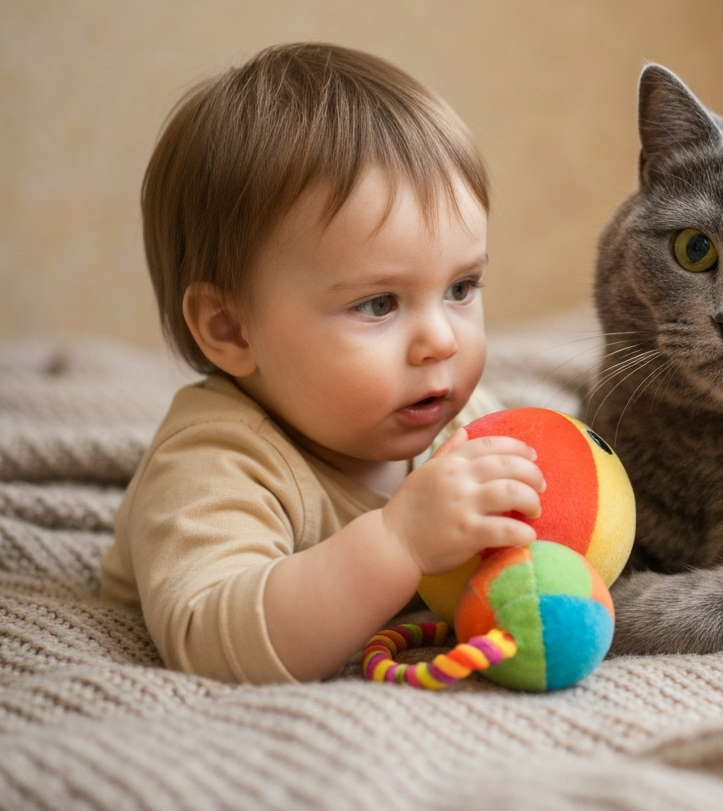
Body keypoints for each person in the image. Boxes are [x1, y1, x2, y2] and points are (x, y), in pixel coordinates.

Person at [99, 43, 545, 684]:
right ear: (230, 329)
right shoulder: (214, 462)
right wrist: (398, 542)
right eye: (379, 303)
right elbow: (212, 644)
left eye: (460, 288)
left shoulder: (457, 418)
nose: (442, 341)